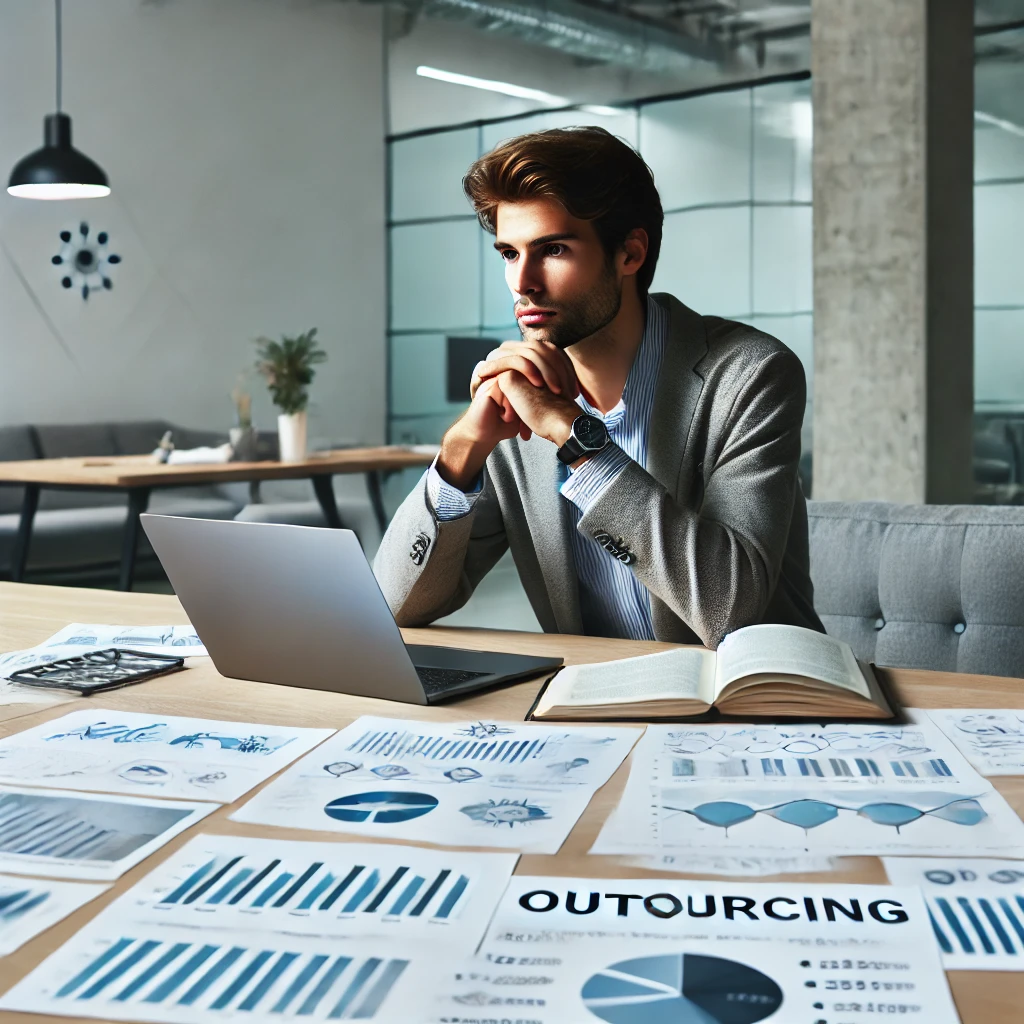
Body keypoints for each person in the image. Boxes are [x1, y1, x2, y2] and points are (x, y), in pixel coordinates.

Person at [375, 126, 823, 648]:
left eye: (553, 250)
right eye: (508, 254)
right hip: (595, 705)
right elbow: (394, 605)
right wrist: (459, 450)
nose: (523, 283)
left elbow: (731, 608)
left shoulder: (750, 373)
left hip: (756, 702)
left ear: (630, 253)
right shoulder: (515, 393)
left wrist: (576, 437)